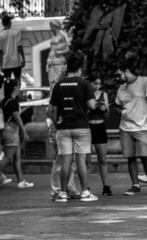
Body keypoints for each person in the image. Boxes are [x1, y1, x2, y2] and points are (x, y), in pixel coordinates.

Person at [49, 54, 97, 202]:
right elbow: (91, 105)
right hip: (81, 125)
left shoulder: (58, 85)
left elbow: (52, 110)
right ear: (79, 69)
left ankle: (62, 193)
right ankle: (84, 192)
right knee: (81, 160)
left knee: (65, 161)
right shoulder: (84, 84)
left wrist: (58, 125)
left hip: (63, 127)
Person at [115, 60, 147, 195]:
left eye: (119, 75)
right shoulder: (121, 88)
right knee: (130, 157)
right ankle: (135, 185)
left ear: (127, 71)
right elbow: (118, 104)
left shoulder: (145, 81)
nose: (117, 78)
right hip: (126, 127)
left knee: (145, 156)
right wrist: (119, 110)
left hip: (142, 125)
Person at [0, 79, 32, 189]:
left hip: (5, 130)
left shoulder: (3, 101)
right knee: (7, 157)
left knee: (16, 157)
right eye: (19, 86)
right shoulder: (13, 102)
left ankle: (20, 181)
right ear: (15, 88)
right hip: (11, 131)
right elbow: (17, 118)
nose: (19, 88)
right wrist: (24, 132)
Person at [87, 72, 111, 196]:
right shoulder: (86, 93)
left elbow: (108, 114)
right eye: (95, 83)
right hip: (89, 126)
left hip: (100, 126)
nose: (97, 86)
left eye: (99, 84)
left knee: (102, 158)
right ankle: (86, 186)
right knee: (87, 159)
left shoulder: (103, 95)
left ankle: (106, 186)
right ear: (90, 83)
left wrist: (104, 109)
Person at [0, 14, 25, 81]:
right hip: (16, 62)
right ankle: (17, 90)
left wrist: (1, 64)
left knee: (7, 81)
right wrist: (23, 58)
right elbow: (19, 47)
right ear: (10, 23)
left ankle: (9, 91)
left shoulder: (0, 35)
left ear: (2, 24)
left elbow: (0, 51)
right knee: (17, 79)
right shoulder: (16, 33)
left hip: (6, 62)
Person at [47, 20, 71, 87]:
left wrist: (60, 52)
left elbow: (67, 49)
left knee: (58, 81)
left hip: (58, 60)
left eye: (52, 27)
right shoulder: (53, 37)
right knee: (51, 81)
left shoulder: (61, 37)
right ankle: (53, 95)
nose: (51, 29)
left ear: (56, 27)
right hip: (51, 61)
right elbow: (52, 50)